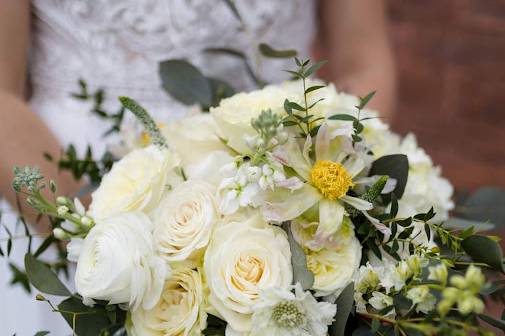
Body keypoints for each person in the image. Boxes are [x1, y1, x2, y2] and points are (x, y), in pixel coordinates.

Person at [0, 0, 396, 334]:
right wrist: (94, 238)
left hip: (277, 205)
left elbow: (363, 62)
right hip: (58, 201)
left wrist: (306, 207)